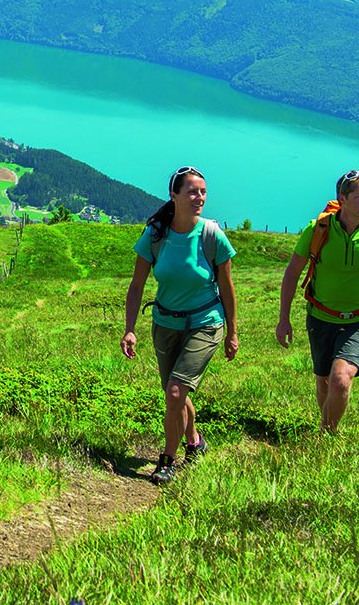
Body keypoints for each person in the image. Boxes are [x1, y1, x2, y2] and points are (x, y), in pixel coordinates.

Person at [121, 166, 239, 484]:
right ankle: (195, 442)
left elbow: (227, 288)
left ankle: (167, 461)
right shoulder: (156, 235)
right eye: (191, 191)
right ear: (174, 196)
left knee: (175, 392)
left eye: (202, 191)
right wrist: (130, 328)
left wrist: (232, 332)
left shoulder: (212, 235)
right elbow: (136, 286)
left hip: (205, 323)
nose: (198, 197)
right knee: (175, 394)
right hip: (165, 323)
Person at [276, 169, 359, 433]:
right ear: (342, 199)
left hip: (358, 320)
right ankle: (327, 428)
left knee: (341, 380)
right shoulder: (318, 230)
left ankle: (326, 434)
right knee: (324, 381)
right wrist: (283, 319)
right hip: (320, 317)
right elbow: (292, 273)